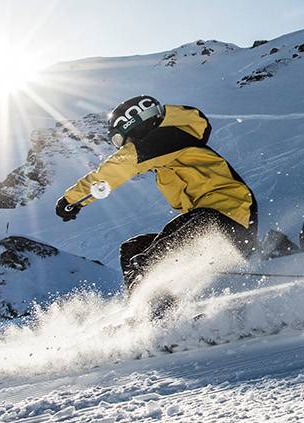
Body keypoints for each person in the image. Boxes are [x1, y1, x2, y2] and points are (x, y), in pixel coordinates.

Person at [55, 96, 258, 297]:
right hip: (206, 225)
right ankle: (141, 308)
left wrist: (73, 199)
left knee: (153, 257)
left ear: (134, 124)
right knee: (133, 249)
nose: (124, 145)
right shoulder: (167, 153)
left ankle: (158, 308)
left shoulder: (166, 138)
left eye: (121, 139)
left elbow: (120, 165)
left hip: (232, 221)